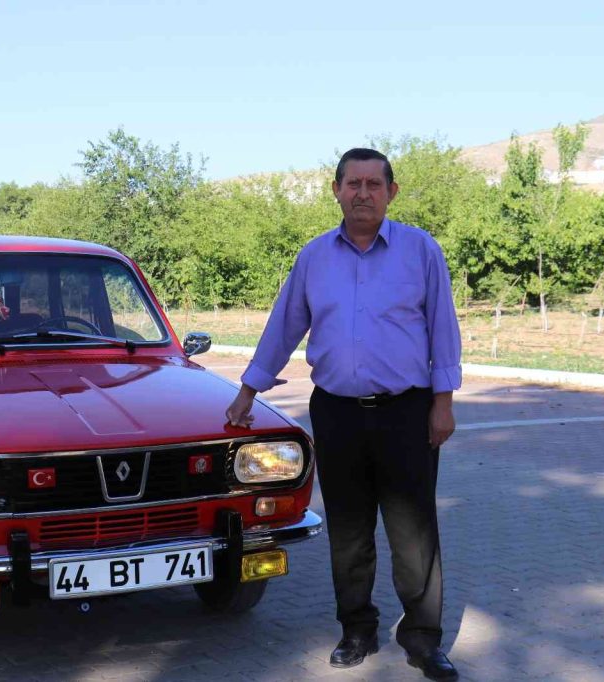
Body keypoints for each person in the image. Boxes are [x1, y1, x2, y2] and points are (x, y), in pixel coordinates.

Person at [225, 148, 461, 681]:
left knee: (413, 533)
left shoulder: (420, 251)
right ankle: (356, 629)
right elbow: (284, 325)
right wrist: (247, 391)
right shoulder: (314, 258)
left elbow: (444, 328)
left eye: (374, 184)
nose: (363, 193)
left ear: (391, 192)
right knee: (349, 531)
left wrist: (443, 403)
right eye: (352, 183)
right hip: (336, 414)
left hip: (407, 413)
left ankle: (423, 639)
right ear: (335, 190)